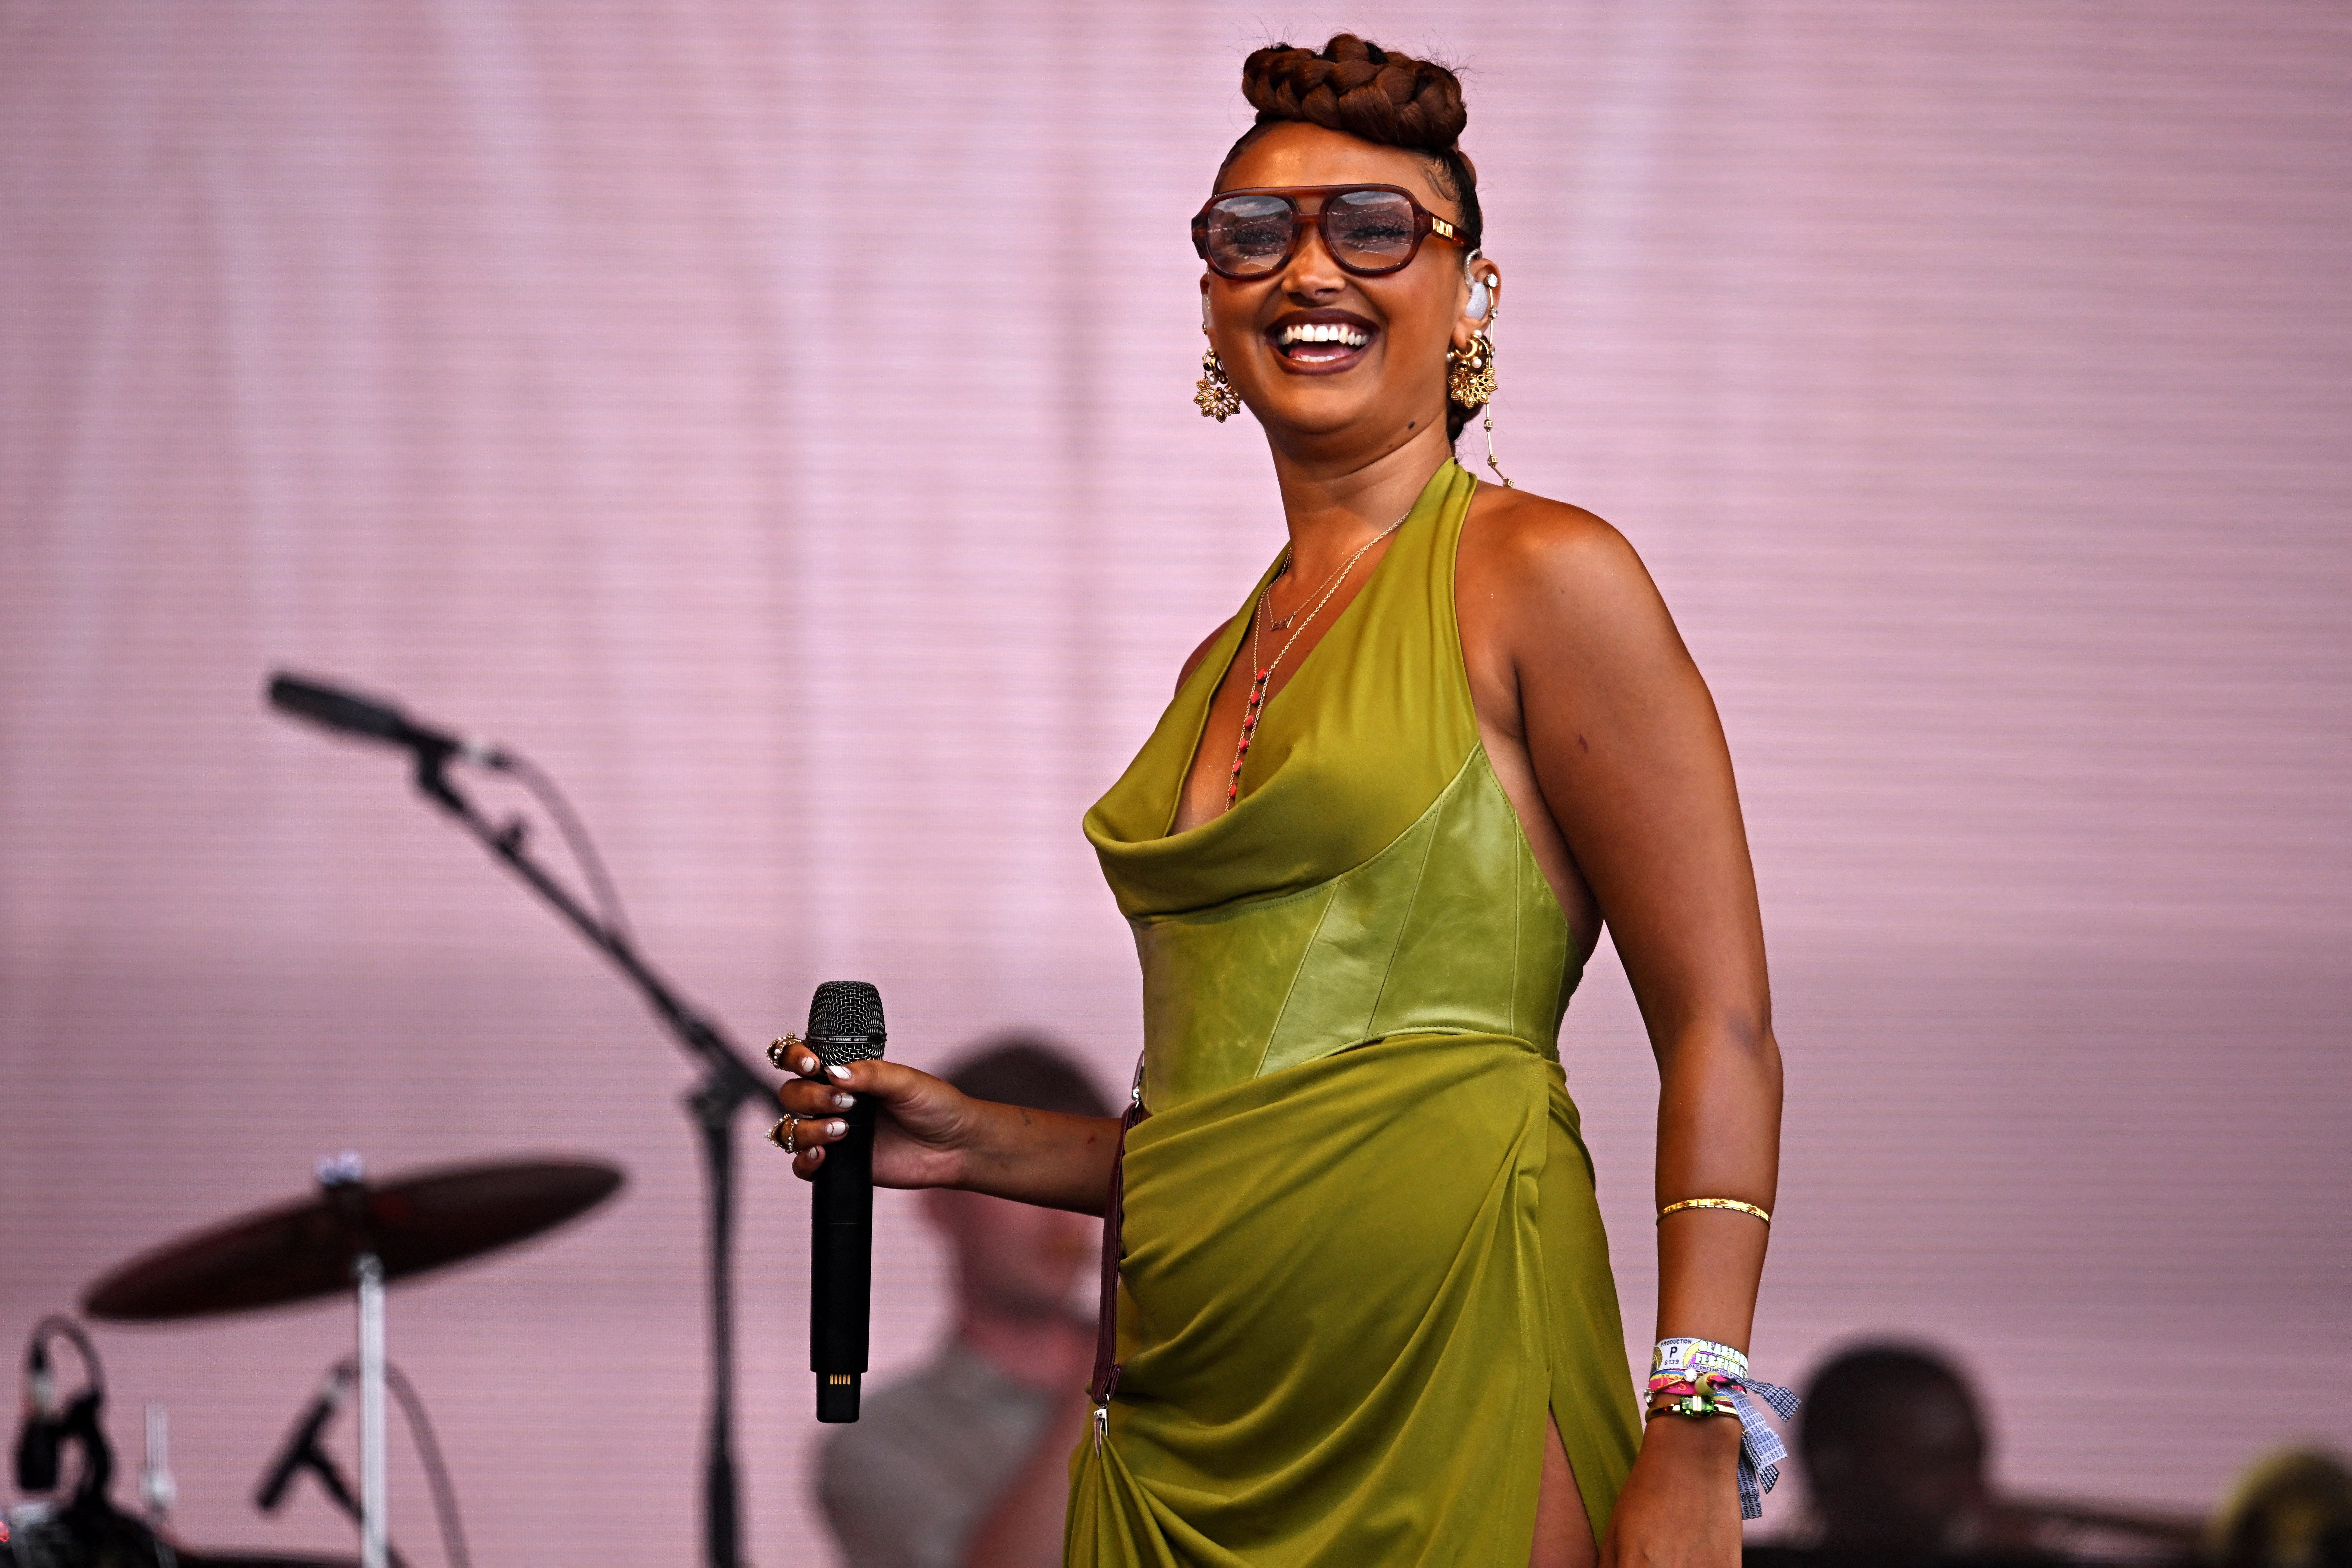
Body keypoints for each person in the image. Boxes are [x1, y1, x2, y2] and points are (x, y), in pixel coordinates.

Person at [776, 34, 1784, 1567]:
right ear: (1209, 303)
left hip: (1450, 1368)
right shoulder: (1217, 655)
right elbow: (1243, 1113)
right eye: (1254, 233)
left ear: (1472, 294)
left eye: (1372, 227)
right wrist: (986, 1141)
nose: (1307, 267)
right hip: (1182, 1431)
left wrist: (1693, 1419)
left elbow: (1718, 1022)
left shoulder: (1541, 573)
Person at [814, 1039, 1110, 1568]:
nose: (1060, 1216)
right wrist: (1105, 1368)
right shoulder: (880, 1443)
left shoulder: (1177, 1373)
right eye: (1013, 1177)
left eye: (1074, 1183)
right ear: (936, 1200)